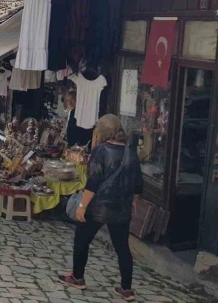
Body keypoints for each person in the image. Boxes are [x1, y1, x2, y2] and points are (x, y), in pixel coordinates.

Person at [58, 115, 143, 301]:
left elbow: (93, 182)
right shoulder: (131, 151)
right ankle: (126, 288)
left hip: (99, 207)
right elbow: (137, 183)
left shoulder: (101, 150)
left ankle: (77, 277)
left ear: (102, 131)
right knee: (122, 247)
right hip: (121, 207)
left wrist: (82, 206)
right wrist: (133, 202)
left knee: (82, 239)